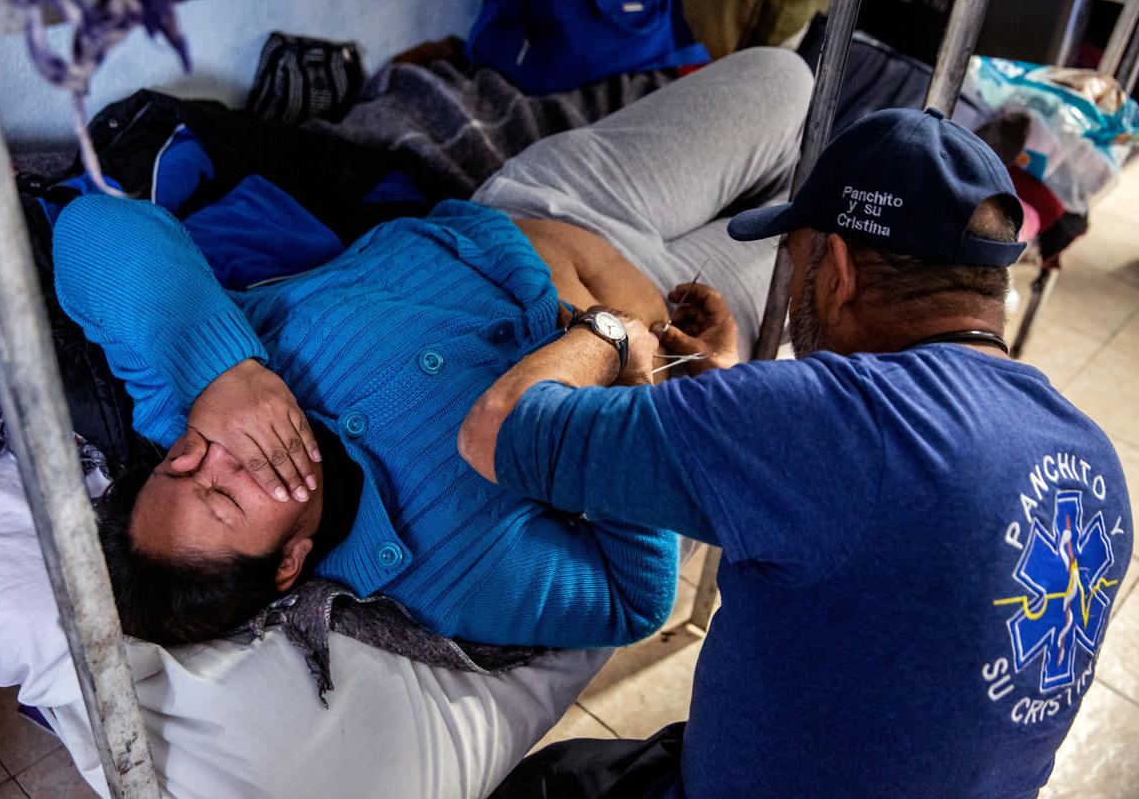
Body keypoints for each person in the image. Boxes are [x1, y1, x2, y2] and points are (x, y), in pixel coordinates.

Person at [462, 107, 1134, 798]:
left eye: (797, 260)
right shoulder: (1093, 461)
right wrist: (730, 393)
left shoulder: (835, 422)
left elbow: (496, 427)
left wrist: (610, 330)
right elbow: (892, 527)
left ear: (837, 270)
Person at [53, 47, 814, 648]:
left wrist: (226, 367)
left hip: (551, 206)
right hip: (667, 332)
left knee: (788, 82)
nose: (215, 456)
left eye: (181, 463)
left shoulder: (192, 400)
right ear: (289, 564)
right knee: (830, 226)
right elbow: (632, 600)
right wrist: (658, 393)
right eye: (222, 495)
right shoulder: (440, 570)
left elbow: (91, 230)